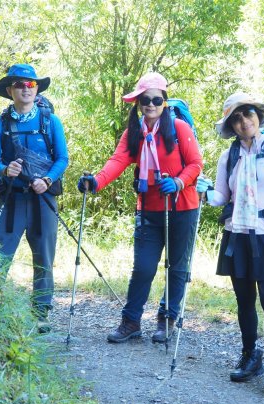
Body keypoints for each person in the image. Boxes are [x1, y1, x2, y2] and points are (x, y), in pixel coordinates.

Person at [196, 92, 264, 402]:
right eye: (237, 118)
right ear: (232, 125)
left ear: (258, 116)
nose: (244, 121)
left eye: (248, 114)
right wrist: (205, 192)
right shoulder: (228, 156)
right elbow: (222, 197)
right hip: (238, 234)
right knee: (244, 301)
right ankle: (250, 357)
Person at [77, 72, 202, 344]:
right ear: (138, 102)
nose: (151, 104)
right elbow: (118, 160)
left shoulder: (179, 128)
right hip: (148, 209)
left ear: (165, 101)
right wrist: (96, 182)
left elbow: (196, 164)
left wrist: (179, 182)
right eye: (145, 99)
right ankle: (131, 321)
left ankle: (167, 320)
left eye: (157, 99)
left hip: (182, 208)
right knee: (143, 268)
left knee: (176, 268)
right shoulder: (133, 132)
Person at [0, 64, 69, 333]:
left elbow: (62, 158)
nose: (26, 89)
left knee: (43, 254)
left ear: (36, 89)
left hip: (42, 198)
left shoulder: (50, 122)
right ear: (10, 90)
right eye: (20, 85)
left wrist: (47, 180)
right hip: (11, 199)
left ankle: (41, 313)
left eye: (30, 85)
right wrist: (3, 169)